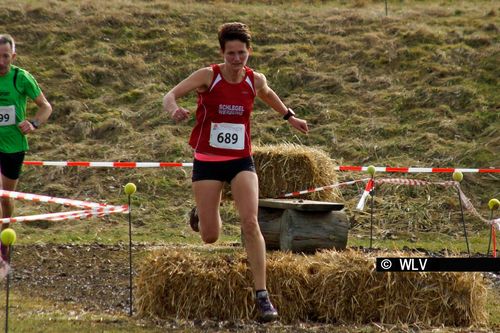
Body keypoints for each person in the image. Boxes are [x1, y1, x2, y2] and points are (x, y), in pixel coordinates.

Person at [162, 22, 308, 322]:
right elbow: (170, 95)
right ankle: (201, 214)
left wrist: (290, 117)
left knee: (250, 221)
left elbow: (268, 94)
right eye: (231, 53)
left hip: (241, 160)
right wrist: (174, 109)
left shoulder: (254, 79)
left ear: (249, 52)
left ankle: (263, 295)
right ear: (222, 53)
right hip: (208, 160)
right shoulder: (208, 76)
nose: (237, 59)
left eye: (242, 53)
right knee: (210, 237)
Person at [0, 34, 52, 258]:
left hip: (13, 146)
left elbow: (45, 107)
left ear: (13, 56)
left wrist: (33, 123)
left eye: (5, 56)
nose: (1, 62)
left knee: (5, 197)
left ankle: (5, 236)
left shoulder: (21, 78)